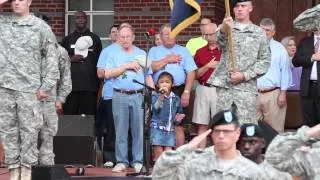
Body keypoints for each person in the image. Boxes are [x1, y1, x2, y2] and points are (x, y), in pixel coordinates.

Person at [0, 0, 59, 179]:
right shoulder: (3, 23)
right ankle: (13, 172)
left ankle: (26, 172)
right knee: (8, 132)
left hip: (29, 90)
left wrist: (46, 86)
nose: (17, 2)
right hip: (5, 88)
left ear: (29, 2)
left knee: (29, 133)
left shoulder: (41, 27)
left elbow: (52, 58)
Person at [152, 109, 268, 179]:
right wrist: (187, 148)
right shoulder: (194, 163)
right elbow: (160, 175)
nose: (221, 136)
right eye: (217, 131)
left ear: (237, 133)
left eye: (227, 131)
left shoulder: (251, 171)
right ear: (211, 134)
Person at [207, 0, 270, 125]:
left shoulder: (258, 33)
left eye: (243, 6)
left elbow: (264, 61)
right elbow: (219, 44)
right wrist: (225, 28)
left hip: (246, 90)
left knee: (246, 129)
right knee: (223, 127)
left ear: (250, 8)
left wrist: (244, 75)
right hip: (225, 88)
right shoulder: (224, 28)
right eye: (236, 6)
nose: (240, 9)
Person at [104, 24, 146, 173]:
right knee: (120, 130)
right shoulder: (113, 54)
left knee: (138, 130)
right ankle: (121, 161)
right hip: (119, 94)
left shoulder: (142, 54)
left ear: (133, 37)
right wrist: (127, 66)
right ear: (118, 38)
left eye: (128, 36)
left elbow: (148, 75)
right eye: (122, 37)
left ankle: (138, 161)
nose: (125, 39)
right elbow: (107, 73)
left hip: (138, 95)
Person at [148, 23, 197, 148]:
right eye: (166, 34)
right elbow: (150, 69)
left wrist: (186, 92)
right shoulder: (154, 51)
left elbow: (191, 72)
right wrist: (167, 59)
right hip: (159, 90)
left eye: (173, 34)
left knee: (178, 125)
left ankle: (177, 158)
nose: (170, 36)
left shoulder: (183, 51)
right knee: (158, 122)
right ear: (161, 36)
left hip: (178, 90)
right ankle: (160, 158)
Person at [37, 14, 72, 166]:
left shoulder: (60, 52)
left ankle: (46, 169)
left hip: (49, 101)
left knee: (48, 135)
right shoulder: (25, 51)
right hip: (26, 100)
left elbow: (66, 78)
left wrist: (61, 98)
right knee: (26, 136)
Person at [61, 11, 102, 115]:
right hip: (71, 87)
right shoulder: (67, 39)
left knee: (88, 118)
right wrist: (71, 58)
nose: (80, 20)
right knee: (70, 119)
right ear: (74, 20)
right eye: (77, 18)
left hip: (90, 86)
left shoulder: (95, 39)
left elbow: (100, 61)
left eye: (83, 17)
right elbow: (59, 59)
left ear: (86, 19)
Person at [256, 18, 292, 133]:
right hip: (253, 93)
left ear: (273, 32)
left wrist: (283, 93)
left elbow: (285, 72)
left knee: (274, 130)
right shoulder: (251, 47)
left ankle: (272, 151)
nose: (264, 32)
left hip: (273, 94)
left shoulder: (280, 49)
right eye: (262, 29)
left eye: (268, 30)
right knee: (252, 129)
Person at [192, 23, 221, 148]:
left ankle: (219, 155)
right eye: (205, 34)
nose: (208, 37)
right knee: (202, 125)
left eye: (211, 34)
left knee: (219, 125)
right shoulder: (200, 52)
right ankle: (200, 155)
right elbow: (195, 75)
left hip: (219, 90)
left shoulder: (225, 50)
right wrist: (208, 66)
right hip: (203, 88)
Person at [96, 24, 120, 168]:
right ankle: (110, 157)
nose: (116, 34)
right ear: (110, 35)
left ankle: (126, 157)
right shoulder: (107, 51)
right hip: (111, 93)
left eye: (119, 32)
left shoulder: (131, 51)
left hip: (128, 93)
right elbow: (100, 73)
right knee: (111, 127)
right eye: (113, 32)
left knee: (126, 127)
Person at [150, 72, 185, 161]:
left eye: (167, 82)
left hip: (170, 130)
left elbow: (178, 114)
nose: (164, 84)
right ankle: (157, 173)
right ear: (157, 85)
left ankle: (166, 174)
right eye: (161, 82)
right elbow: (155, 109)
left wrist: (178, 119)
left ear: (172, 84)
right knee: (158, 153)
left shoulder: (176, 99)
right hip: (157, 129)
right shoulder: (155, 96)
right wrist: (161, 96)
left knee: (167, 155)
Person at [292, 31, 320, 126]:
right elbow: (295, 61)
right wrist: (312, 57)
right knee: (308, 123)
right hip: (307, 88)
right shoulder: (305, 42)